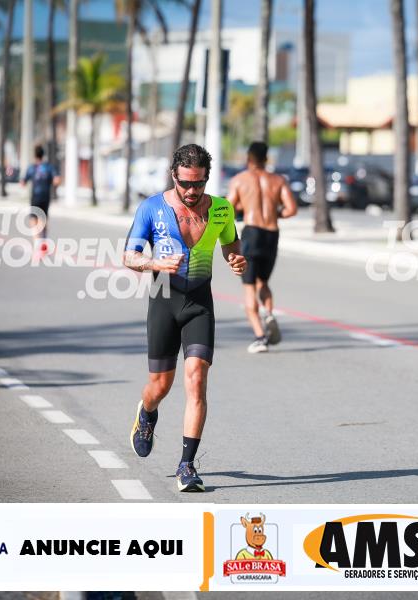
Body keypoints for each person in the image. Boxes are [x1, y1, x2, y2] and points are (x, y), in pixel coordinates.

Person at [123, 143, 247, 492]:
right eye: (186, 183)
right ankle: (147, 413)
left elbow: (231, 245)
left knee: (196, 378)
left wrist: (236, 259)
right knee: (160, 386)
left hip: (199, 303)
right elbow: (129, 256)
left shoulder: (221, 209)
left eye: (199, 183)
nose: (192, 191)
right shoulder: (152, 208)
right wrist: (154, 263)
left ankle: (186, 465)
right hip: (164, 298)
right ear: (173, 176)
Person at [227, 141, 298, 353]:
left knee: (249, 286)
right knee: (263, 282)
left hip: (252, 233)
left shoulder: (240, 180)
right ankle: (269, 313)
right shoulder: (278, 180)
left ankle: (260, 337)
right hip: (271, 234)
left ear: (248, 158)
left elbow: (228, 208)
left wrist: (242, 208)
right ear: (267, 158)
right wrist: (275, 213)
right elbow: (291, 209)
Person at [21, 145, 60, 258]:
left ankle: (38, 245)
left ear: (35, 155)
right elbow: (57, 180)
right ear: (43, 154)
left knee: (33, 220)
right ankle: (44, 241)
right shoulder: (49, 167)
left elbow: (23, 182)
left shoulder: (32, 168)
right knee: (43, 219)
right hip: (46, 197)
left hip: (36, 197)